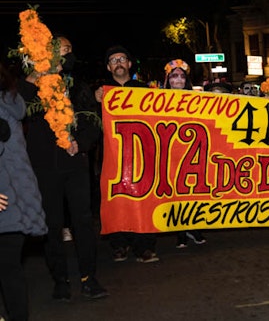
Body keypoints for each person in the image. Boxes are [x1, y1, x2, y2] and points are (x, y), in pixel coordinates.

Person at [18, 35, 108, 300]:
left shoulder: (78, 86)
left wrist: (80, 144)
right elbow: (18, 108)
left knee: (82, 222)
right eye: (59, 50)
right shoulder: (32, 86)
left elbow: (92, 122)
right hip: (44, 167)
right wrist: (35, 76)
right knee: (53, 224)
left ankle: (89, 277)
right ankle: (61, 279)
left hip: (75, 166)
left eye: (69, 50)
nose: (64, 55)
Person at [96, 46, 159, 263]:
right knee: (116, 199)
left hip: (141, 155)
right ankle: (119, 244)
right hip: (113, 156)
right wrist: (96, 104)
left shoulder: (143, 90)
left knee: (144, 199)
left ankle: (144, 246)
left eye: (122, 58)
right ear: (108, 67)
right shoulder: (100, 92)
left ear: (129, 64)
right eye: (113, 60)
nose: (119, 63)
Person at [1, 59, 47, 321]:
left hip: (11, 201)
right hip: (15, 200)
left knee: (10, 270)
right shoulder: (12, 105)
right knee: (10, 270)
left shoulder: (10, 105)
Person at [164, 60, 208, 248]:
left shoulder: (196, 99)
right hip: (170, 152)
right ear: (168, 80)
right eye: (174, 76)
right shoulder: (156, 99)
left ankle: (194, 227)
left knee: (193, 193)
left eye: (182, 76)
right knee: (175, 194)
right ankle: (180, 232)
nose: (178, 80)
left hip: (193, 152)